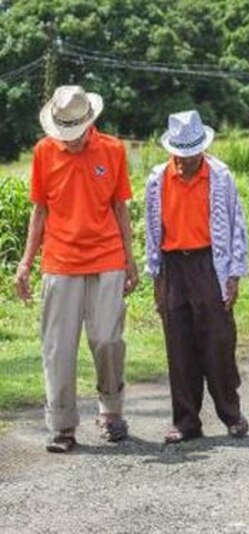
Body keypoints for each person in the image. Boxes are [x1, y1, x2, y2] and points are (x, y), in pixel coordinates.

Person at [14, 85, 138, 453]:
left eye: (74, 133)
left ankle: (111, 410)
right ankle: (62, 425)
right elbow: (39, 211)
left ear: (89, 124)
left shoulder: (113, 150)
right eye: (62, 133)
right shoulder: (43, 152)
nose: (68, 141)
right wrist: (25, 262)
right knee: (58, 347)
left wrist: (130, 261)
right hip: (60, 261)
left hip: (107, 257)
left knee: (107, 339)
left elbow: (120, 209)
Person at [144, 110, 249, 443]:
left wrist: (233, 275)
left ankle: (231, 415)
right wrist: (156, 279)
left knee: (219, 342)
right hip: (174, 266)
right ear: (172, 150)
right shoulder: (157, 179)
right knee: (179, 346)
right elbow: (151, 230)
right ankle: (187, 422)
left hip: (210, 264)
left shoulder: (220, 176)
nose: (188, 161)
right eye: (182, 155)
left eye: (194, 154)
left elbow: (237, 226)